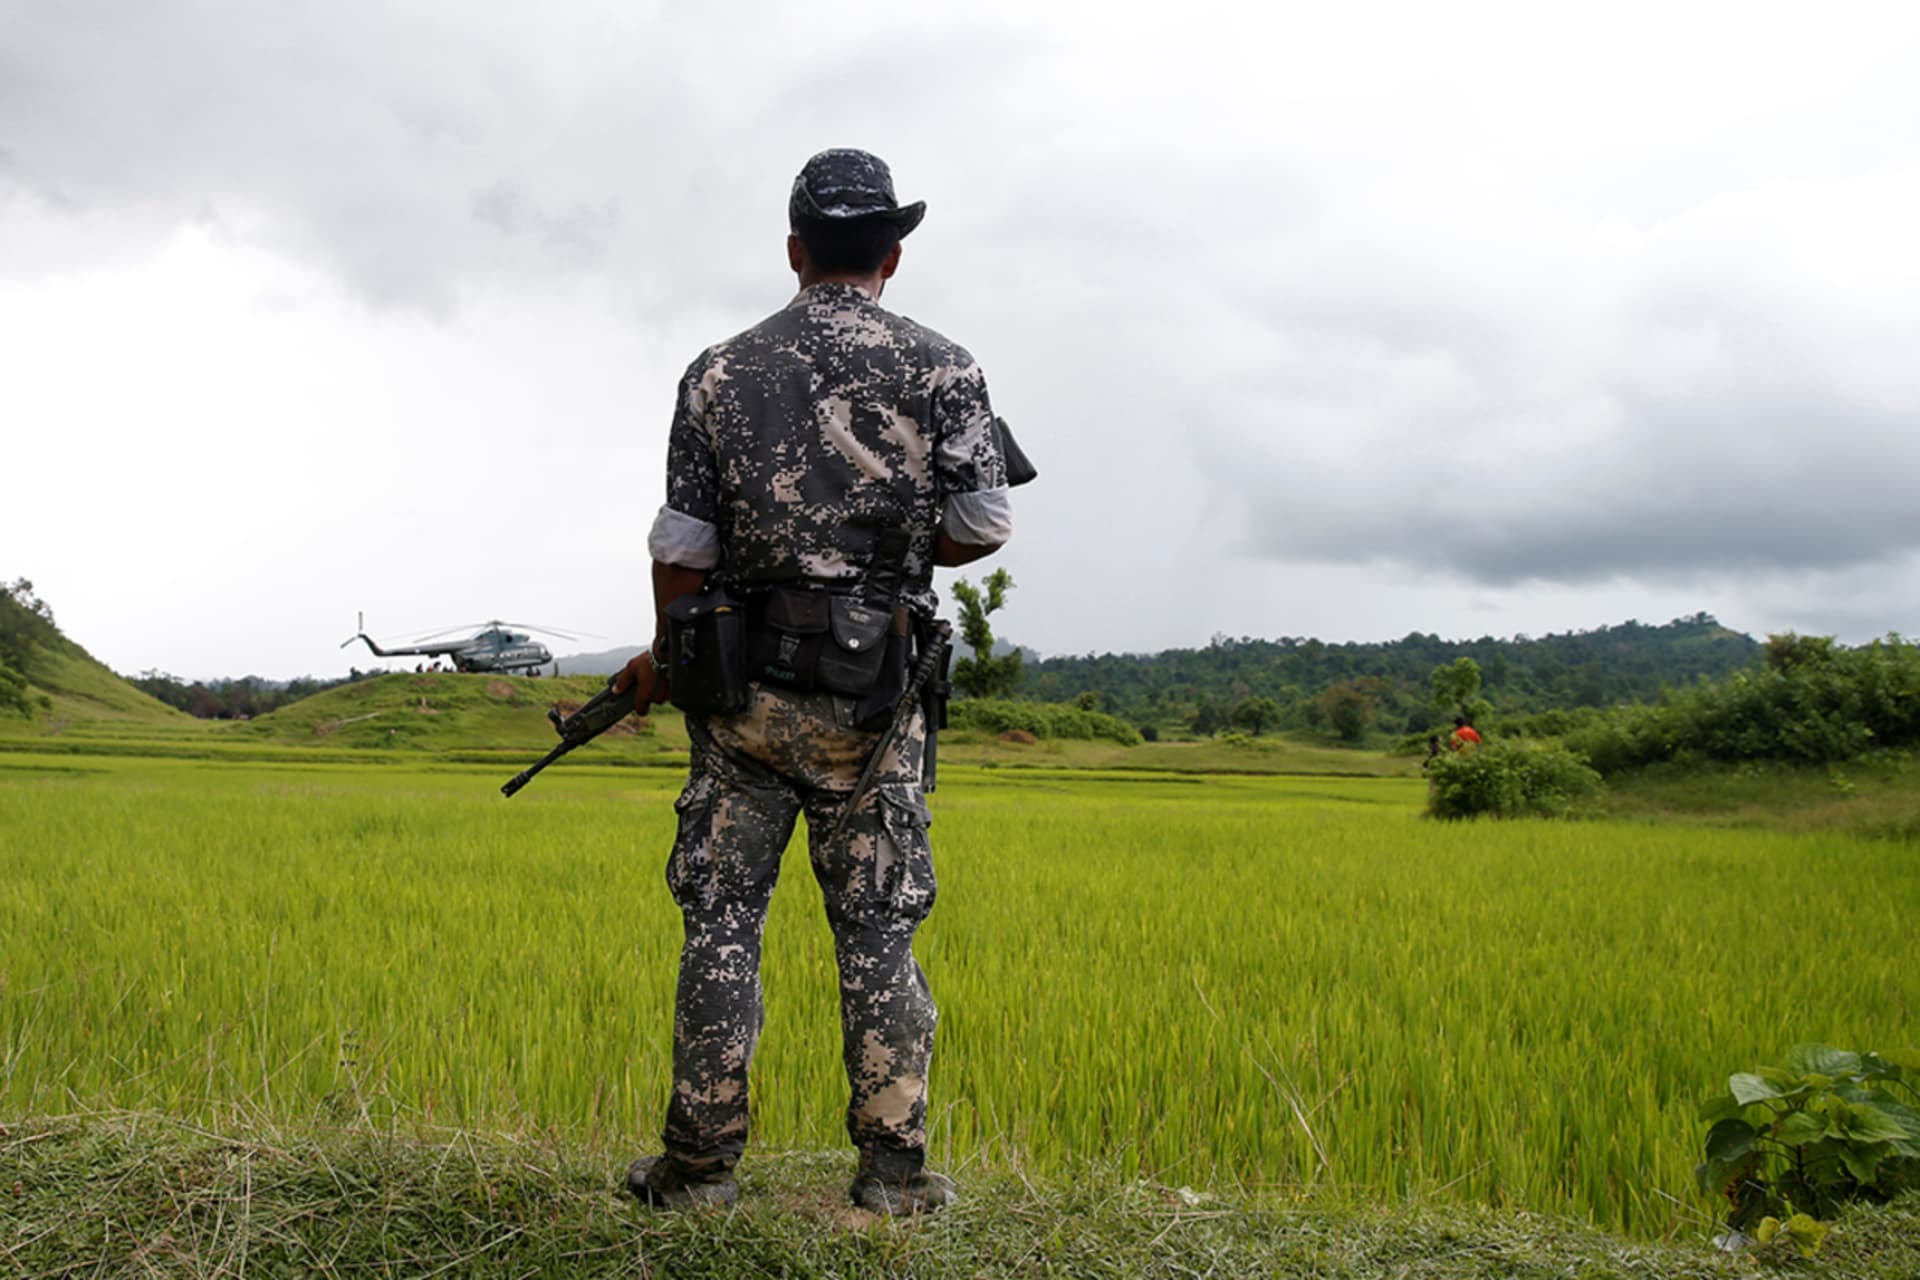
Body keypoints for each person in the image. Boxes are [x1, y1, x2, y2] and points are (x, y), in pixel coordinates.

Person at [611, 149, 1013, 1216]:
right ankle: (892, 1174)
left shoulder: (717, 370)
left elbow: (682, 546)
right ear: (893, 253)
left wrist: (676, 655)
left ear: (794, 251)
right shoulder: (944, 366)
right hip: (874, 693)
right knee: (877, 925)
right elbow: (982, 523)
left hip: (742, 686)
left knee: (722, 920)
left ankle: (699, 1171)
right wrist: (883, 558)